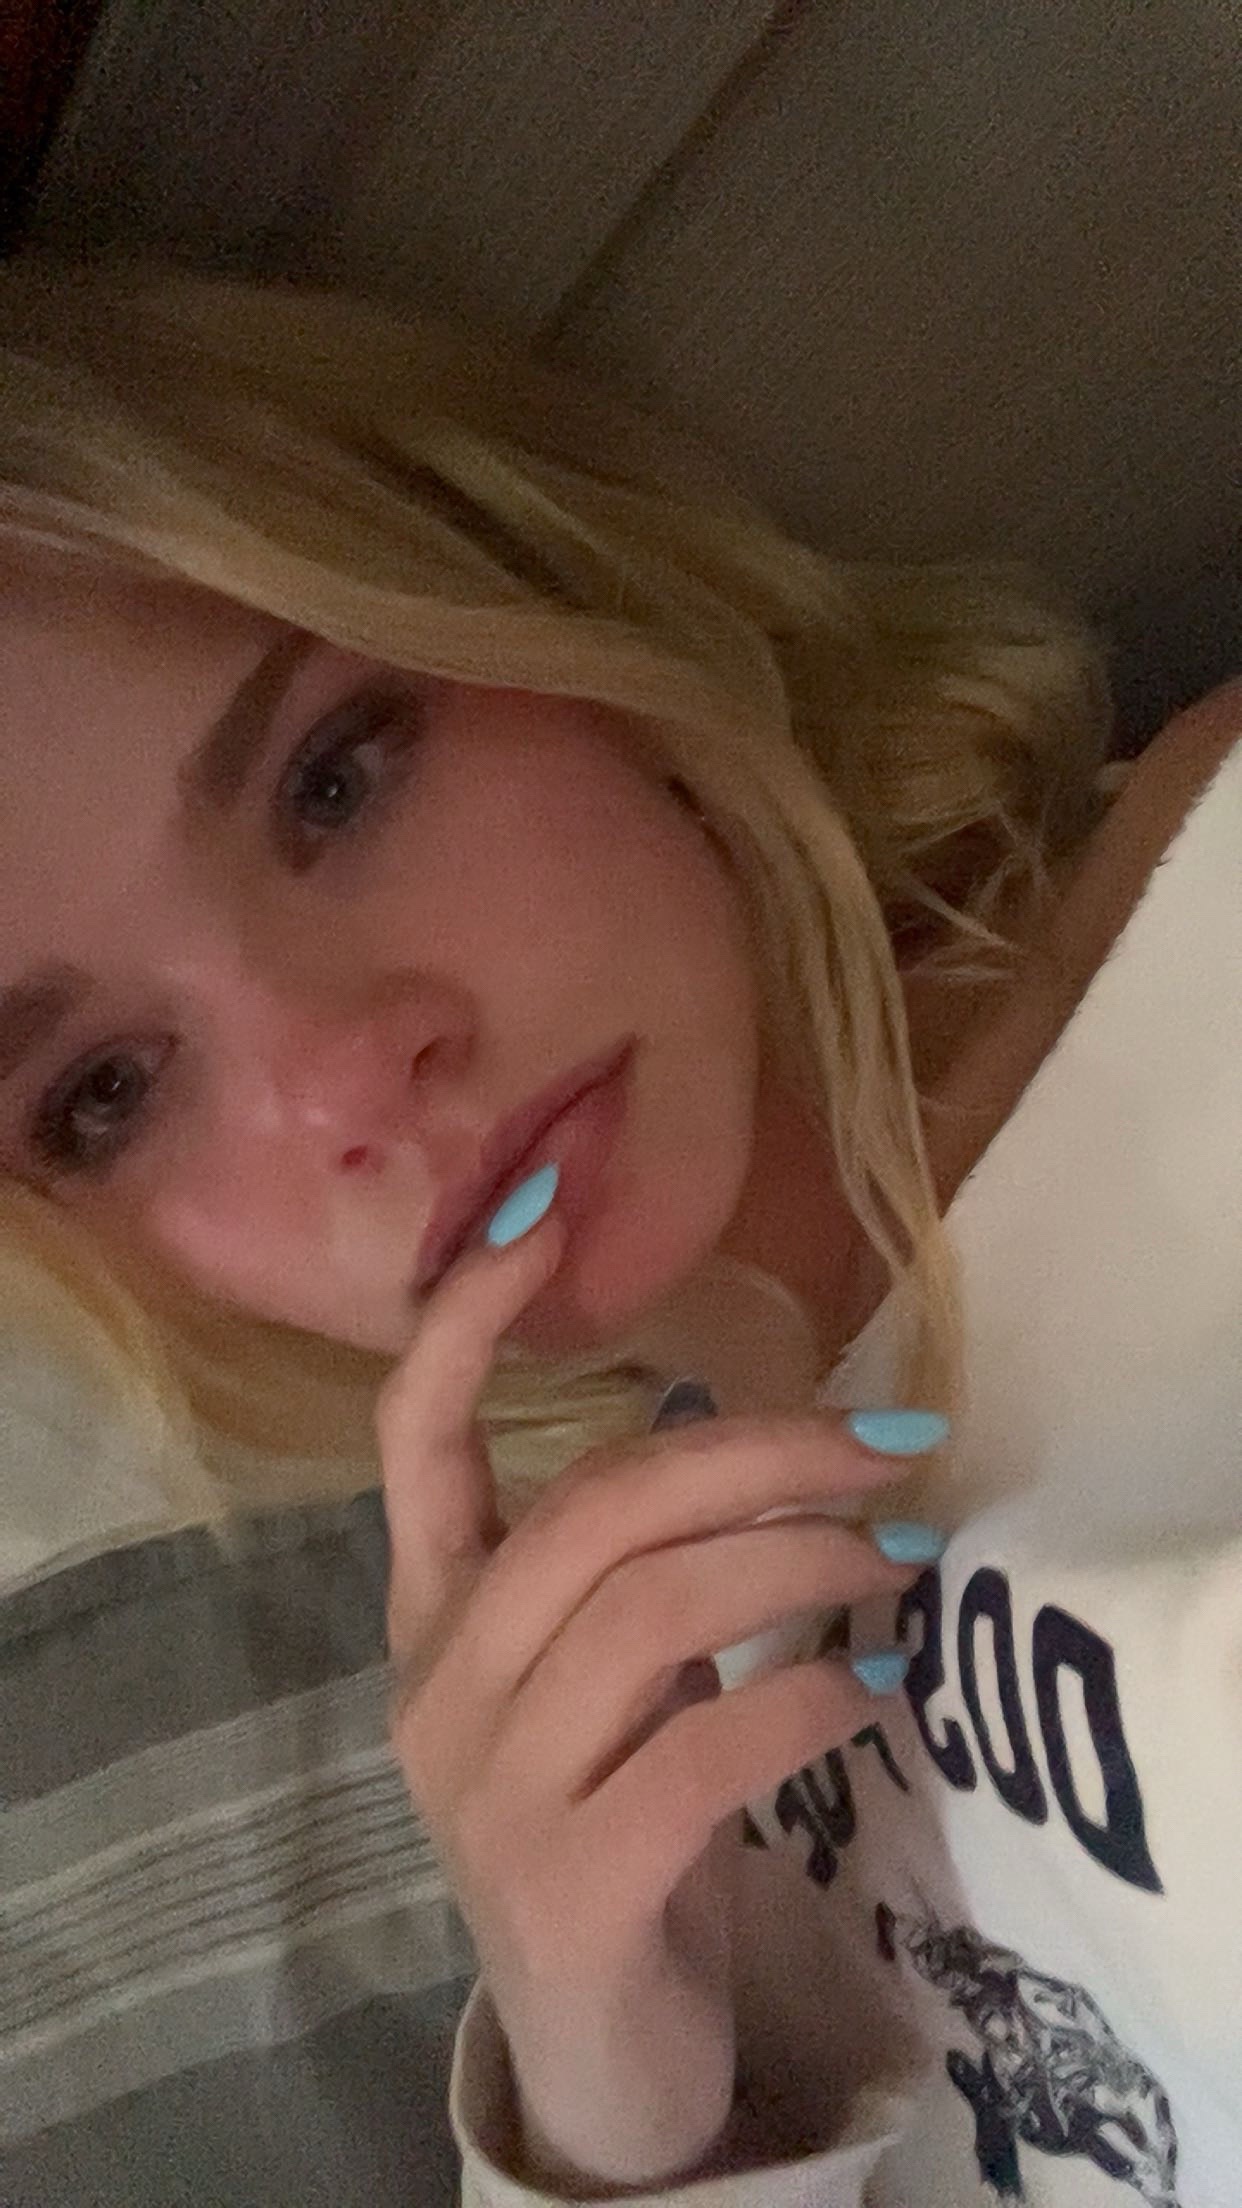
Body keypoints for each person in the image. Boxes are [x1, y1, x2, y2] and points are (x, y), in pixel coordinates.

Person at [0, 250, 1237, 2207]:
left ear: (547, 603)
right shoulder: (628, 1769)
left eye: (335, 778)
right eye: (106, 1094)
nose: (343, 1084)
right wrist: (610, 2116)